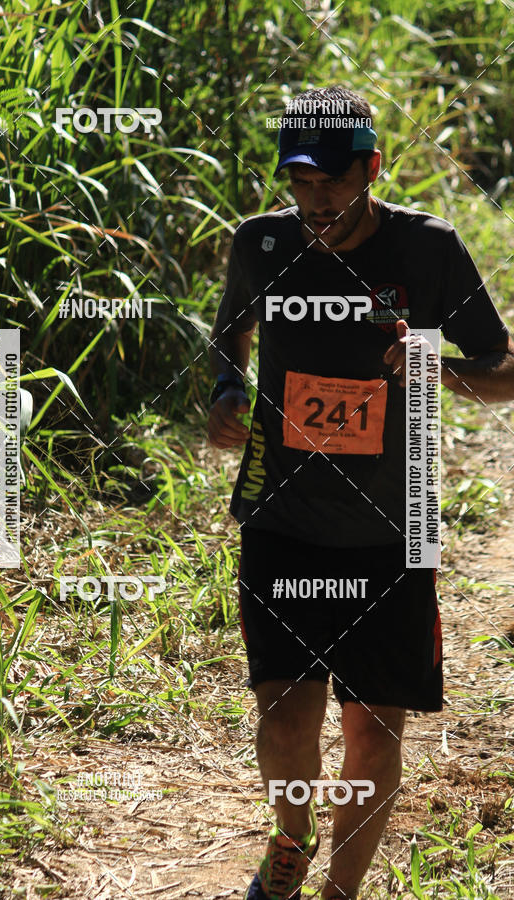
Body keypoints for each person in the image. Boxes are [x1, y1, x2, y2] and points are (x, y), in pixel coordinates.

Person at [207, 85, 514, 900]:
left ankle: (343, 892)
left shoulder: (428, 249)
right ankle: (291, 839)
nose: (316, 202)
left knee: (372, 734)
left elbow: (504, 371)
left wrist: (436, 369)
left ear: (372, 168)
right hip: (284, 515)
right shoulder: (263, 244)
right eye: (301, 184)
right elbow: (229, 333)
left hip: (394, 526)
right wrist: (225, 396)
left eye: (333, 184)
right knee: (283, 716)